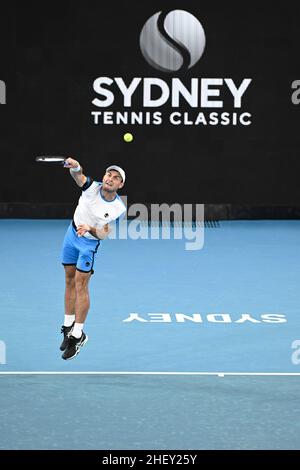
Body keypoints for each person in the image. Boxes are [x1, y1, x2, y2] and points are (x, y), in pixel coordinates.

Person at [60, 157, 126, 360]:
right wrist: (76, 167)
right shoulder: (92, 187)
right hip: (71, 236)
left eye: (116, 178)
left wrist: (89, 228)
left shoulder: (118, 209)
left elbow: (104, 234)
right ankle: (67, 325)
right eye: (109, 175)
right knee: (69, 279)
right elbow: (78, 176)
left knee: (81, 285)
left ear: (120, 185)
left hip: (88, 244)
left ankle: (78, 334)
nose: (110, 179)